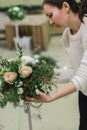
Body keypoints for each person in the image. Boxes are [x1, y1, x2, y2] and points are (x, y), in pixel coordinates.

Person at [24, 0, 87, 130]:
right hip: (84, 92)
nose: (50, 22)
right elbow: (72, 71)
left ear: (65, 6)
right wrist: (40, 74)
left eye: (50, 15)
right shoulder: (66, 36)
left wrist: (51, 97)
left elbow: (84, 74)